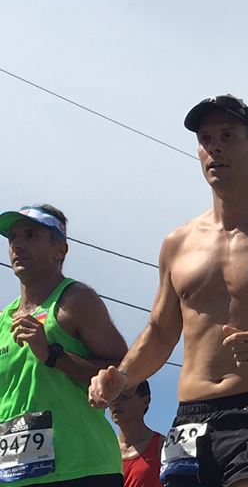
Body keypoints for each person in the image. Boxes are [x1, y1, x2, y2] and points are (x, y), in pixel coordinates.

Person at [88, 94, 248, 487]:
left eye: (228, 135)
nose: (215, 147)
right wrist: (122, 378)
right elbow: (160, 332)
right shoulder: (177, 244)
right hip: (191, 416)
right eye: (206, 138)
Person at [0, 203, 128, 487]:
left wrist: (53, 355)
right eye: (13, 238)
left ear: (61, 250)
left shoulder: (75, 300)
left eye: (31, 235)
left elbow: (124, 372)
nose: (18, 244)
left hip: (81, 469)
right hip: (14, 476)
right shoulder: (2, 322)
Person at [111, 380, 163, 487]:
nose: (116, 402)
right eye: (113, 395)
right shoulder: (105, 450)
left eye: (124, 396)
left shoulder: (162, 446)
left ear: (145, 401)